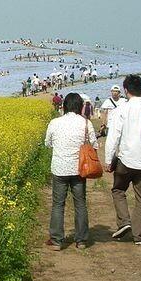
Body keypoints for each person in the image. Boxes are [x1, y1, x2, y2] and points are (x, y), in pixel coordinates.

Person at [104, 74, 141, 245]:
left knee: (118, 190)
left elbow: (113, 137)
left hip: (125, 159)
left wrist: (108, 160)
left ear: (125, 90)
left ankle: (124, 222)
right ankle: (139, 236)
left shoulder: (120, 110)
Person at [44, 92, 98, 250]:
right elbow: (94, 144)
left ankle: (56, 240)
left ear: (64, 106)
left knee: (58, 204)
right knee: (80, 203)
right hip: (79, 169)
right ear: (81, 107)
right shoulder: (86, 123)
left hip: (59, 168)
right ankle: (81, 240)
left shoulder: (54, 122)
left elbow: (48, 143)